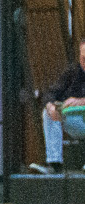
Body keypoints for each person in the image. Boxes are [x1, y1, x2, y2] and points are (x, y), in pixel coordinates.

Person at [35, 37, 85, 171]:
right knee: (48, 112)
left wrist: (81, 101)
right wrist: (51, 106)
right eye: (83, 58)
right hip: (76, 122)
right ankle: (54, 163)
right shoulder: (72, 72)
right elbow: (50, 93)